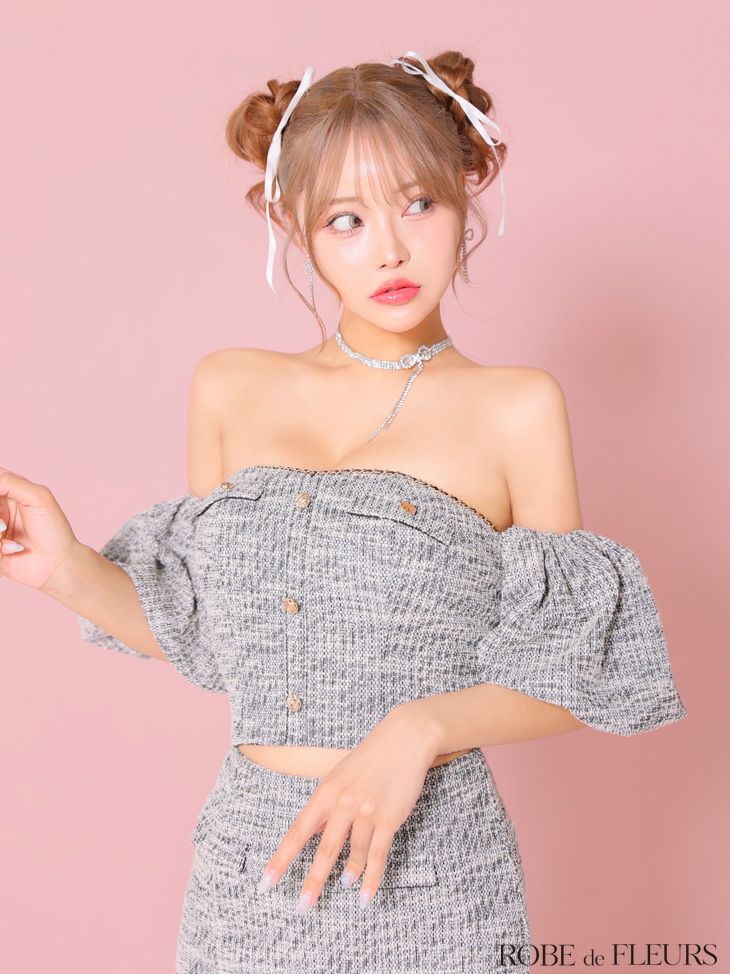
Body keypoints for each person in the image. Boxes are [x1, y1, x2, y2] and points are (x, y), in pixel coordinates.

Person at [0, 49, 687, 974]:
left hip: (432, 880)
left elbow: (569, 668)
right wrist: (61, 568)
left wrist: (419, 729)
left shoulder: (517, 408)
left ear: (468, 187)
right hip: (248, 874)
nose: (390, 250)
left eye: (419, 203)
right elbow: (213, 638)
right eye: (347, 220)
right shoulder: (230, 387)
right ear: (296, 227)